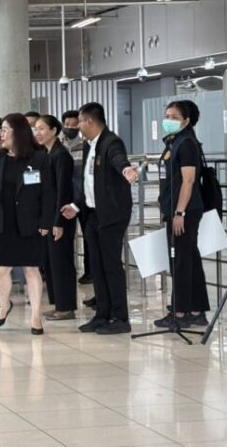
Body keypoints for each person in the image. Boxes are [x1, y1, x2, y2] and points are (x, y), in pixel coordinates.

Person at [61, 102, 138, 334]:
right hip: (93, 213)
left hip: (112, 214)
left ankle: (120, 318)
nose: (77, 127)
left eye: (79, 122)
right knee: (96, 265)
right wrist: (76, 205)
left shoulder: (111, 142)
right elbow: (89, 182)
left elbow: (118, 159)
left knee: (111, 265)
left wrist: (126, 170)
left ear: (90, 121)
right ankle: (102, 315)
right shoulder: (89, 145)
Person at [0, 113, 52, 335]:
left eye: (5, 130)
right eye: (1, 130)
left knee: (31, 269)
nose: (1, 134)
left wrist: (46, 221)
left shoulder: (39, 158)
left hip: (29, 221)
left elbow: (48, 192)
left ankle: (36, 317)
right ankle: (4, 305)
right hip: (4, 221)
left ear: (18, 132)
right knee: (1, 269)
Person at [154, 101, 209, 329]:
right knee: (190, 259)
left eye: (175, 117)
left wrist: (180, 212)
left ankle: (180, 312)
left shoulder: (185, 144)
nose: (169, 120)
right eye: (167, 115)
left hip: (184, 211)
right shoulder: (174, 141)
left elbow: (189, 181)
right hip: (177, 208)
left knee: (180, 261)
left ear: (186, 121)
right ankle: (196, 310)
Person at [36, 115, 77, 320]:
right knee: (51, 262)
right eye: (36, 129)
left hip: (61, 216)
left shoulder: (61, 155)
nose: (38, 133)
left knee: (61, 262)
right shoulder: (46, 153)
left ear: (54, 131)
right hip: (48, 216)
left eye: (42, 129)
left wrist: (59, 222)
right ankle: (58, 303)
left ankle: (66, 307)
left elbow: (63, 190)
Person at [61, 109, 92, 286]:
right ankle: (68, 270)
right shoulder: (58, 146)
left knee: (88, 237)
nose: (71, 128)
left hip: (83, 199)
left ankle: (89, 272)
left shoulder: (86, 146)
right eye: (67, 125)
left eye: (74, 125)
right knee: (65, 237)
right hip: (65, 199)